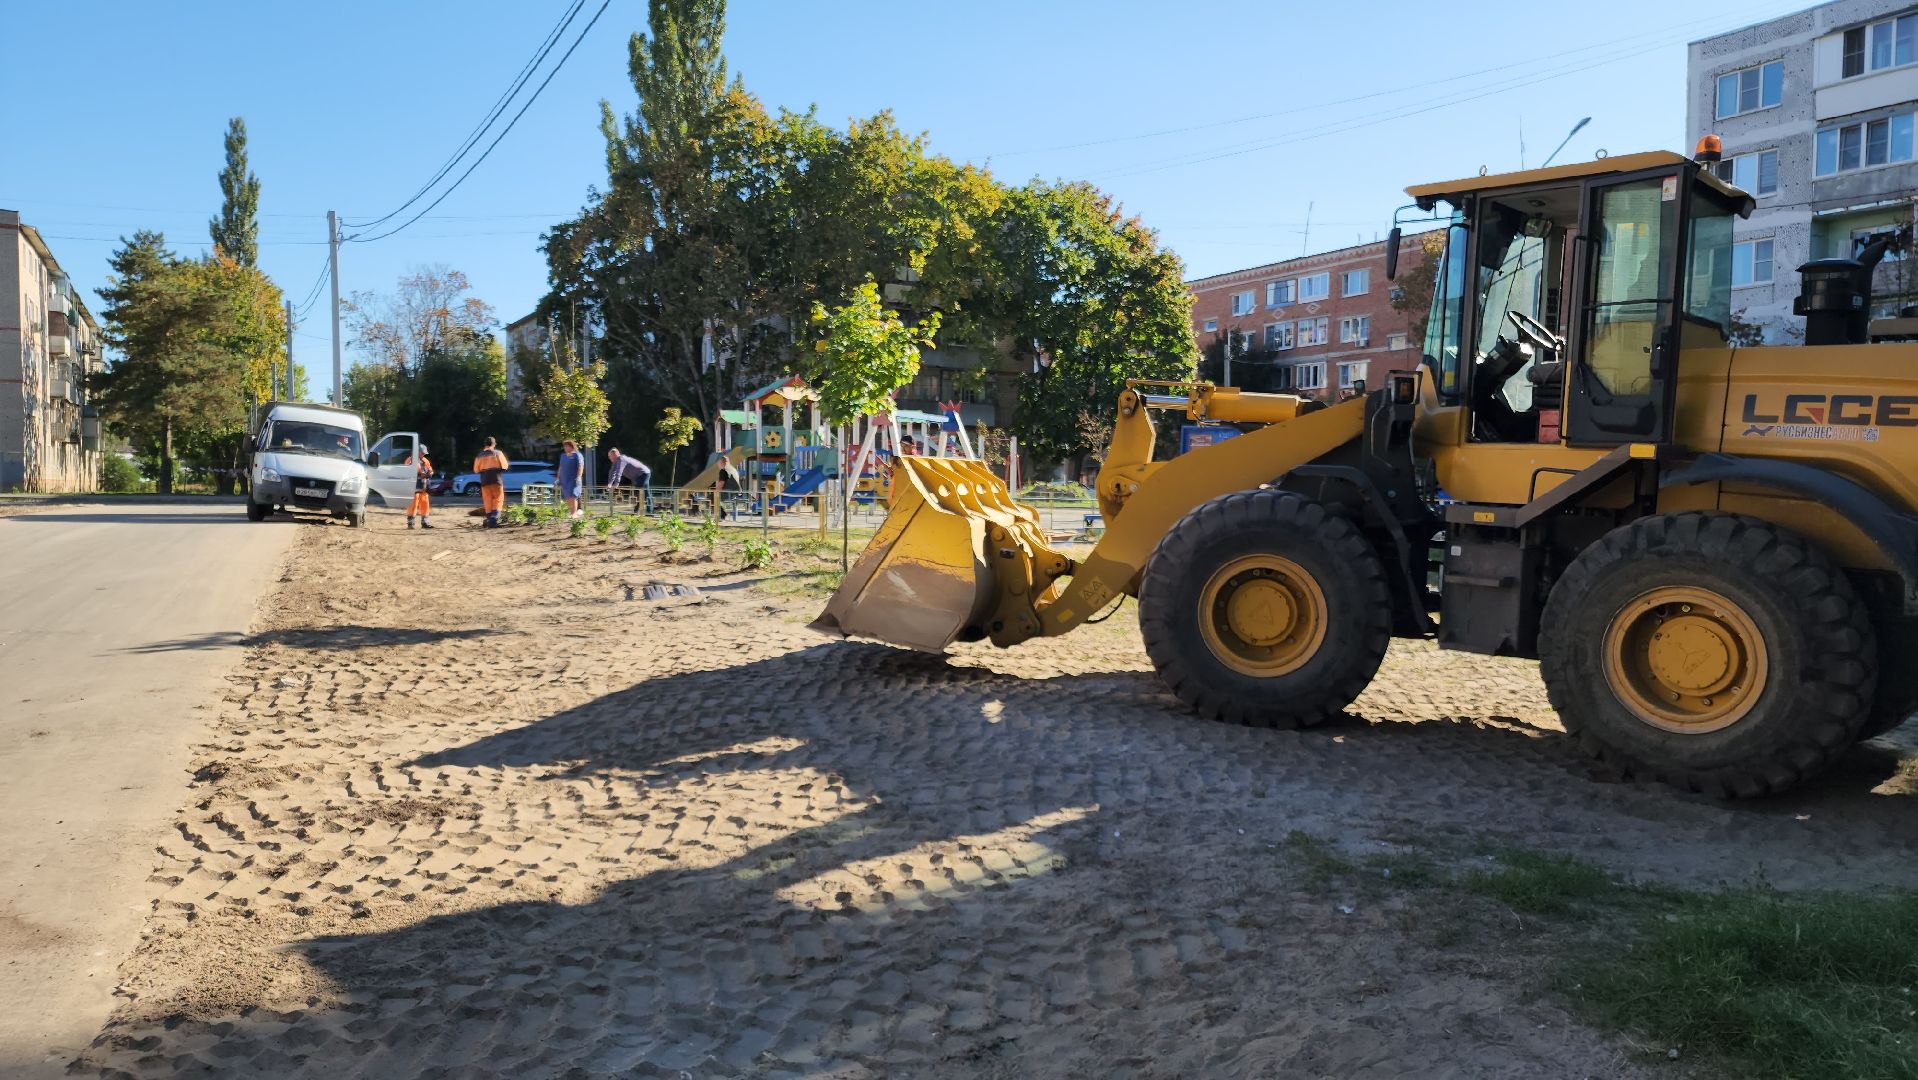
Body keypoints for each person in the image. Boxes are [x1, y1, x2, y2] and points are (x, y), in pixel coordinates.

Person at [473, 437, 510, 527]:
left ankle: (489, 518)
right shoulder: (498, 453)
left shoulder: (479, 455)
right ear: (494, 444)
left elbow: (476, 470)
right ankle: (494, 518)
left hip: (484, 481)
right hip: (496, 480)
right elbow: (505, 466)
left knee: (487, 500)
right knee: (498, 499)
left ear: (485, 444)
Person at [605, 447, 651, 513]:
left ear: (615, 454)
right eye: (609, 456)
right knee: (640, 492)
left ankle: (644, 511)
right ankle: (640, 510)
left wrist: (616, 484)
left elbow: (619, 472)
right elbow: (612, 472)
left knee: (641, 492)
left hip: (643, 473)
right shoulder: (616, 462)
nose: (610, 458)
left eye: (610, 456)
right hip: (637, 477)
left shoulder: (621, 459)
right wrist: (609, 483)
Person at [404, 445, 434, 529]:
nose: (423, 455)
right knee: (413, 504)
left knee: (425, 503)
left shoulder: (425, 460)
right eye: (422, 453)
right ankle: (410, 523)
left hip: (424, 486)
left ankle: (425, 523)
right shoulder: (410, 460)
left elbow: (430, 470)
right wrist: (420, 474)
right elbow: (407, 471)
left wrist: (430, 473)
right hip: (413, 487)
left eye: (424, 453)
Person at [556, 439, 585, 518]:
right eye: (564, 446)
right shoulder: (563, 456)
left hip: (574, 479)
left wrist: (579, 477)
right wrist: (558, 478)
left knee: (573, 495)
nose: (565, 448)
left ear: (572, 447)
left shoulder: (577, 455)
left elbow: (580, 466)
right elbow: (560, 467)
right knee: (568, 496)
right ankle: (571, 512)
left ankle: (574, 513)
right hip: (565, 479)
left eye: (567, 446)